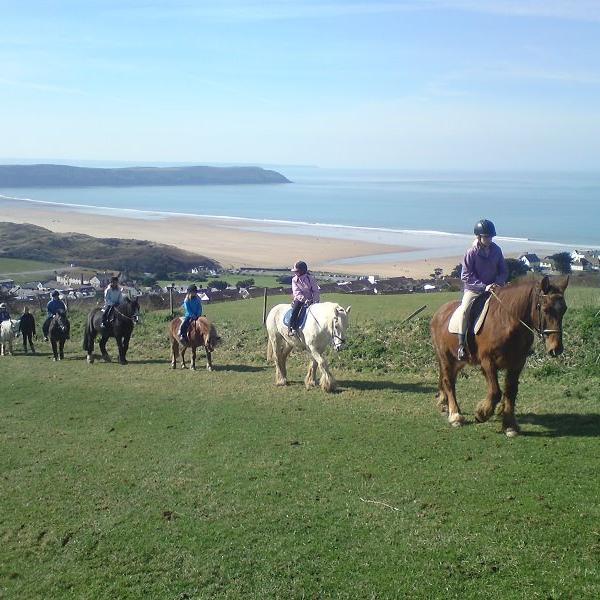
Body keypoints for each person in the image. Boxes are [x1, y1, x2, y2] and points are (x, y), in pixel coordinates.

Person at [456, 219, 508, 361]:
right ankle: (461, 345)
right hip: (474, 289)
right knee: (465, 309)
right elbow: (465, 276)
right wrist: (483, 286)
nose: (489, 239)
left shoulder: (497, 250)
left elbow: (503, 271)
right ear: (479, 237)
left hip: (495, 288)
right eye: (487, 236)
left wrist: (497, 283)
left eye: (491, 236)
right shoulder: (471, 252)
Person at [288, 260, 320, 335]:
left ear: (302, 271)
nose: (295, 273)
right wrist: (304, 299)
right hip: (299, 300)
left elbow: (315, 291)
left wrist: (314, 301)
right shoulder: (294, 280)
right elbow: (296, 292)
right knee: (295, 311)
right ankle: (291, 328)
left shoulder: (310, 279)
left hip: (311, 300)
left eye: (296, 271)